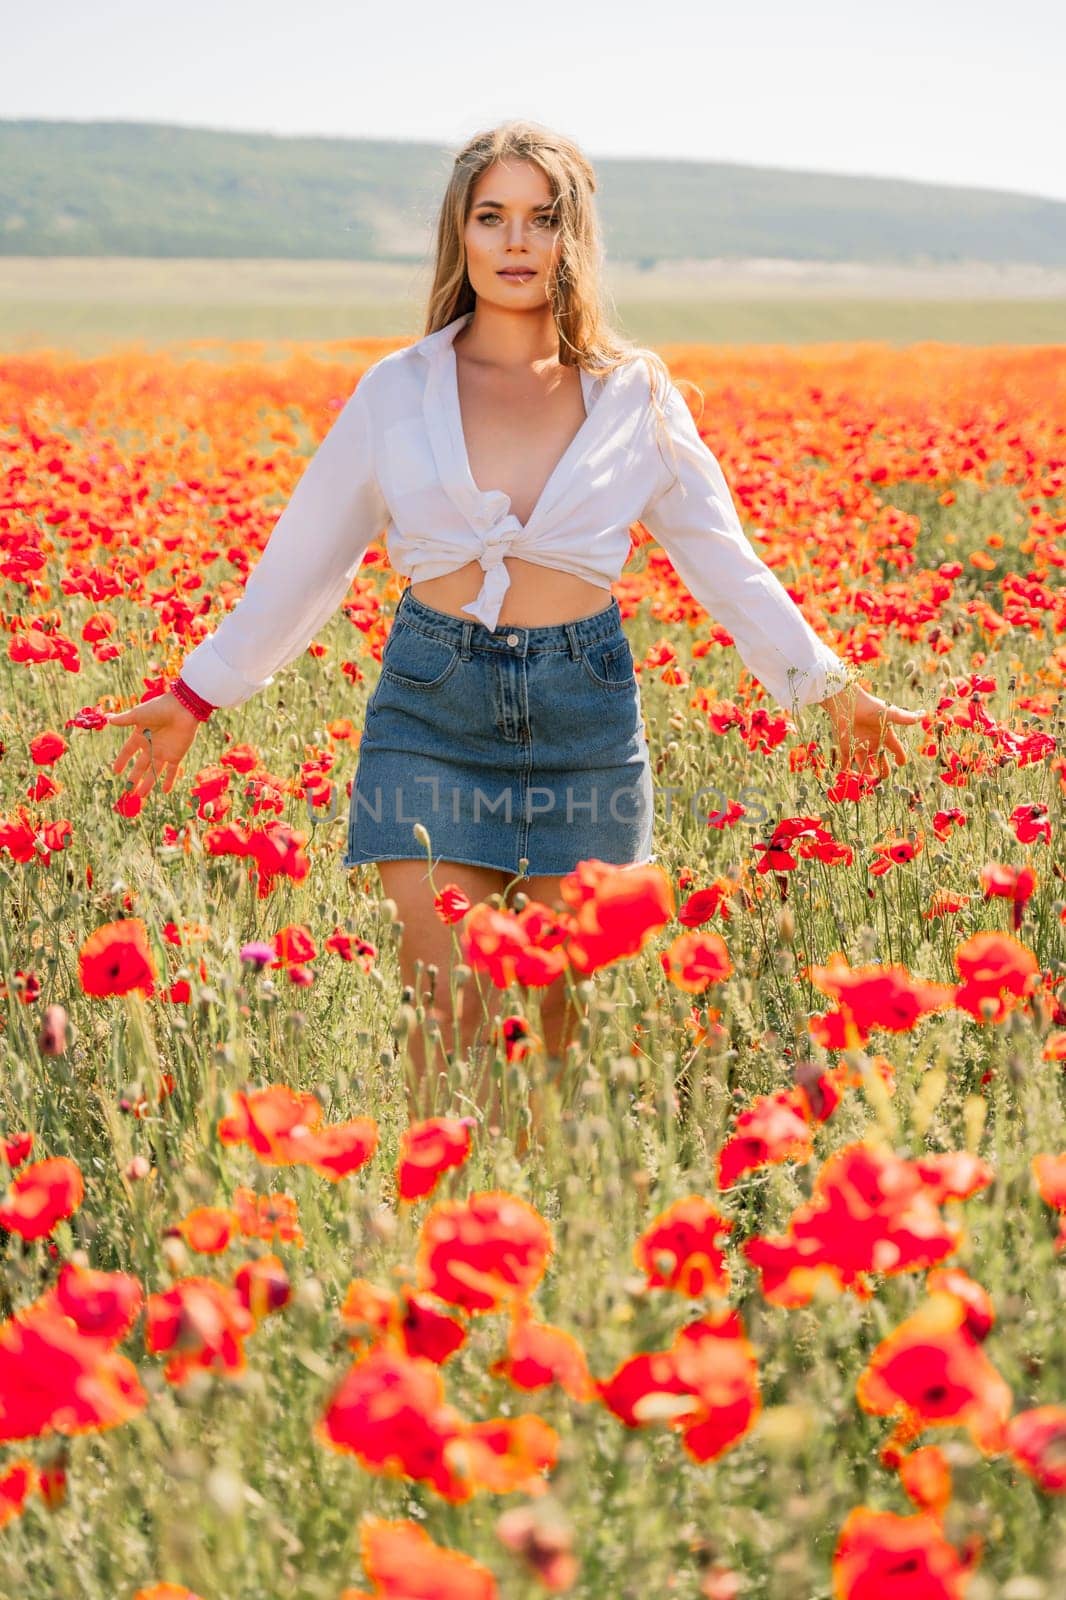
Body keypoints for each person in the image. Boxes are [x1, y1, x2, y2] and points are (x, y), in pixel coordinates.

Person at [105, 119, 924, 1119]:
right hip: (430, 715)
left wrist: (824, 685)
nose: (517, 241)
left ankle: (525, 1244)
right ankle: (435, 1240)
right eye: (491, 217)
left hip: (584, 722)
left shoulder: (636, 397)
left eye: (543, 218)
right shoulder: (396, 391)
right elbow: (303, 563)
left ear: (575, 238)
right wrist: (198, 692)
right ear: (461, 235)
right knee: (445, 1027)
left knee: (548, 1043)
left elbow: (724, 562)